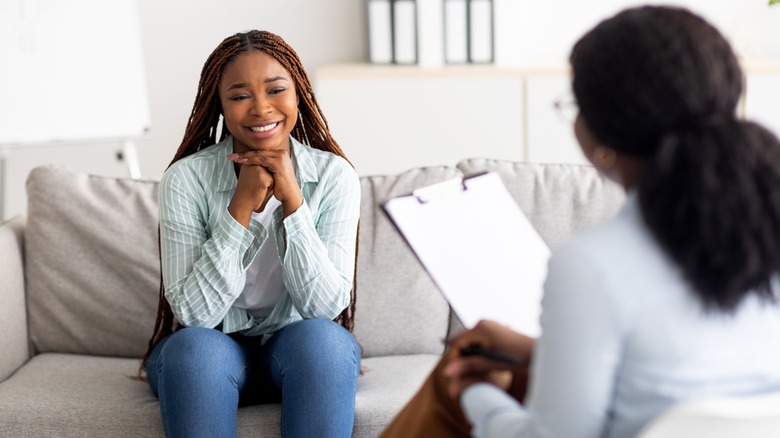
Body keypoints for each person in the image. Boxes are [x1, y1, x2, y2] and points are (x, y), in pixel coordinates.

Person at [379, 6, 780, 438]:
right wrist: (543, 353)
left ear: (600, 136)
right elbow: (691, 372)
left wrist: (475, 394)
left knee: (456, 375)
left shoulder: (593, 266)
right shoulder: (764, 227)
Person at [139, 30, 362, 438]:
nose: (261, 108)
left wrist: (294, 204)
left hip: (296, 349)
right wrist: (239, 208)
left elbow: (325, 306)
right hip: (212, 349)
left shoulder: (334, 177)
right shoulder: (185, 179)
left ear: (299, 95)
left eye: (276, 90)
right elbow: (194, 316)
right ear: (219, 106)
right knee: (194, 350)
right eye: (240, 96)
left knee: (325, 343)